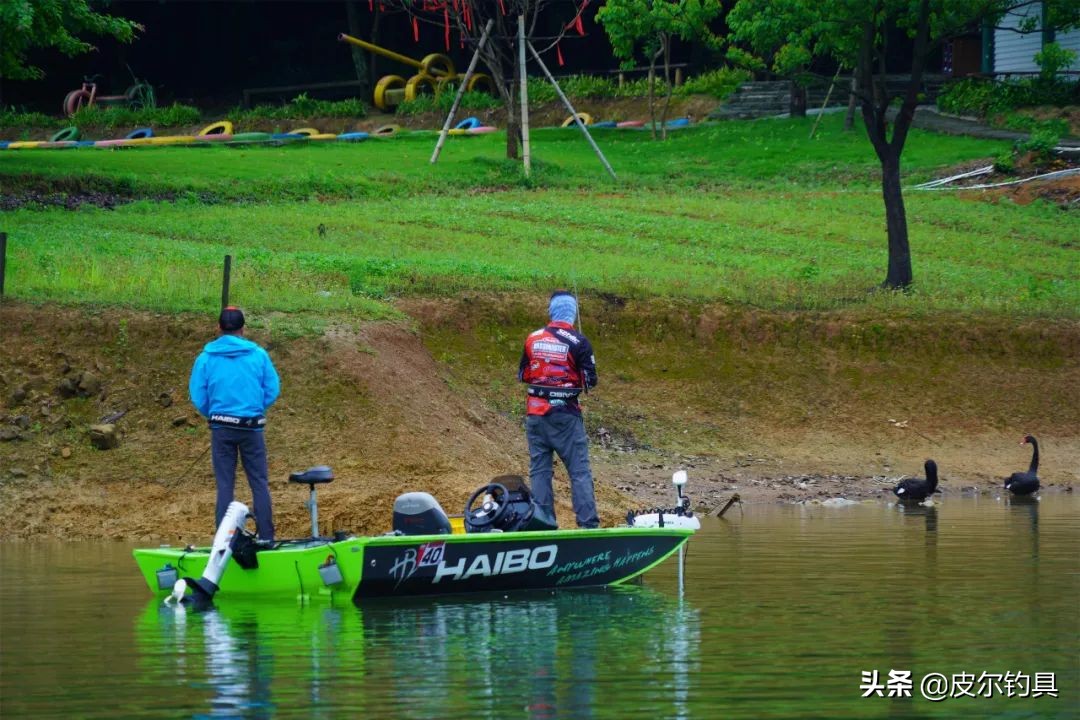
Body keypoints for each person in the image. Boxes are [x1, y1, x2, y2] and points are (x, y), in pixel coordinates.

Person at [189, 306, 280, 541]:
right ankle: (267, 538)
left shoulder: (206, 358)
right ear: (243, 329)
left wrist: (213, 413)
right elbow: (272, 389)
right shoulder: (259, 355)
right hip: (251, 428)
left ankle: (223, 540)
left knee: (225, 485)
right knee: (259, 482)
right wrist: (255, 408)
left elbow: (198, 395)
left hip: (222, 429)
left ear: (218, 328)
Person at [518, 290, 599, 528]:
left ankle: (543, 524)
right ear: (572, 313)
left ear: (551, 311)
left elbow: (523, 375)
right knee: (579, 471)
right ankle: (588, 526)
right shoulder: (579, 342)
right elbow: (590, 382)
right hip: (566, 417)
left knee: (540, 471)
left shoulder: (532, 338)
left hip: (535, 415)